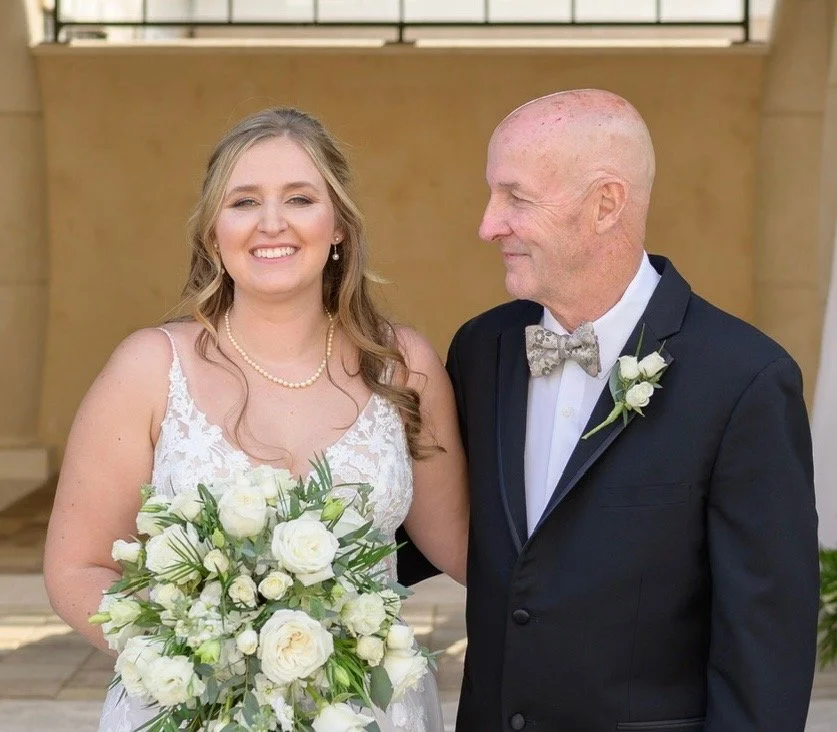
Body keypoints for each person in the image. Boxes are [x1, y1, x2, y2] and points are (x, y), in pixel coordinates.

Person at [43, 107, 467, 732]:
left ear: (339, 226)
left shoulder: (402, 366)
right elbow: (75, 566)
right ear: (214, 234)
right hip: (196, 711)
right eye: (243, 202)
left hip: (370, 712)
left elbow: (470, 548)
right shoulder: (149, 369)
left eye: (300, 198)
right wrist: (200, 662)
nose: (273, 223)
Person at [446, 89, 819, 731]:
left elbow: (766, 646)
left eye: (516, 197)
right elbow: (416, 527)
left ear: (606, 204)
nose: (488, 224)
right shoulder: (483, 350)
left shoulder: (745, 379)